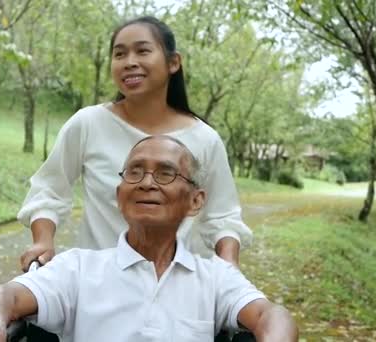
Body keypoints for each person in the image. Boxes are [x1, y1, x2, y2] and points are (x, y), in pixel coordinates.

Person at [0, 136, 298, 342]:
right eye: (135, 172)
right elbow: (2, 296)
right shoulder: (78, 269)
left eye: (165, 173)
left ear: (196, 201)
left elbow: (272, 315)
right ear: (119, 194)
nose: (147, 183)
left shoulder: (214, 277)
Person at [17, 16, 252, 271]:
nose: (129, 62)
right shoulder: (88, 123)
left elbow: (223, 216)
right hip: (97, 285)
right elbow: (49, 190)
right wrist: (43, 241)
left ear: (173, 62)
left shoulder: (205, 139)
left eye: (142, 51)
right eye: (119, 54)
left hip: (174, 288)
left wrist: (229, 266)